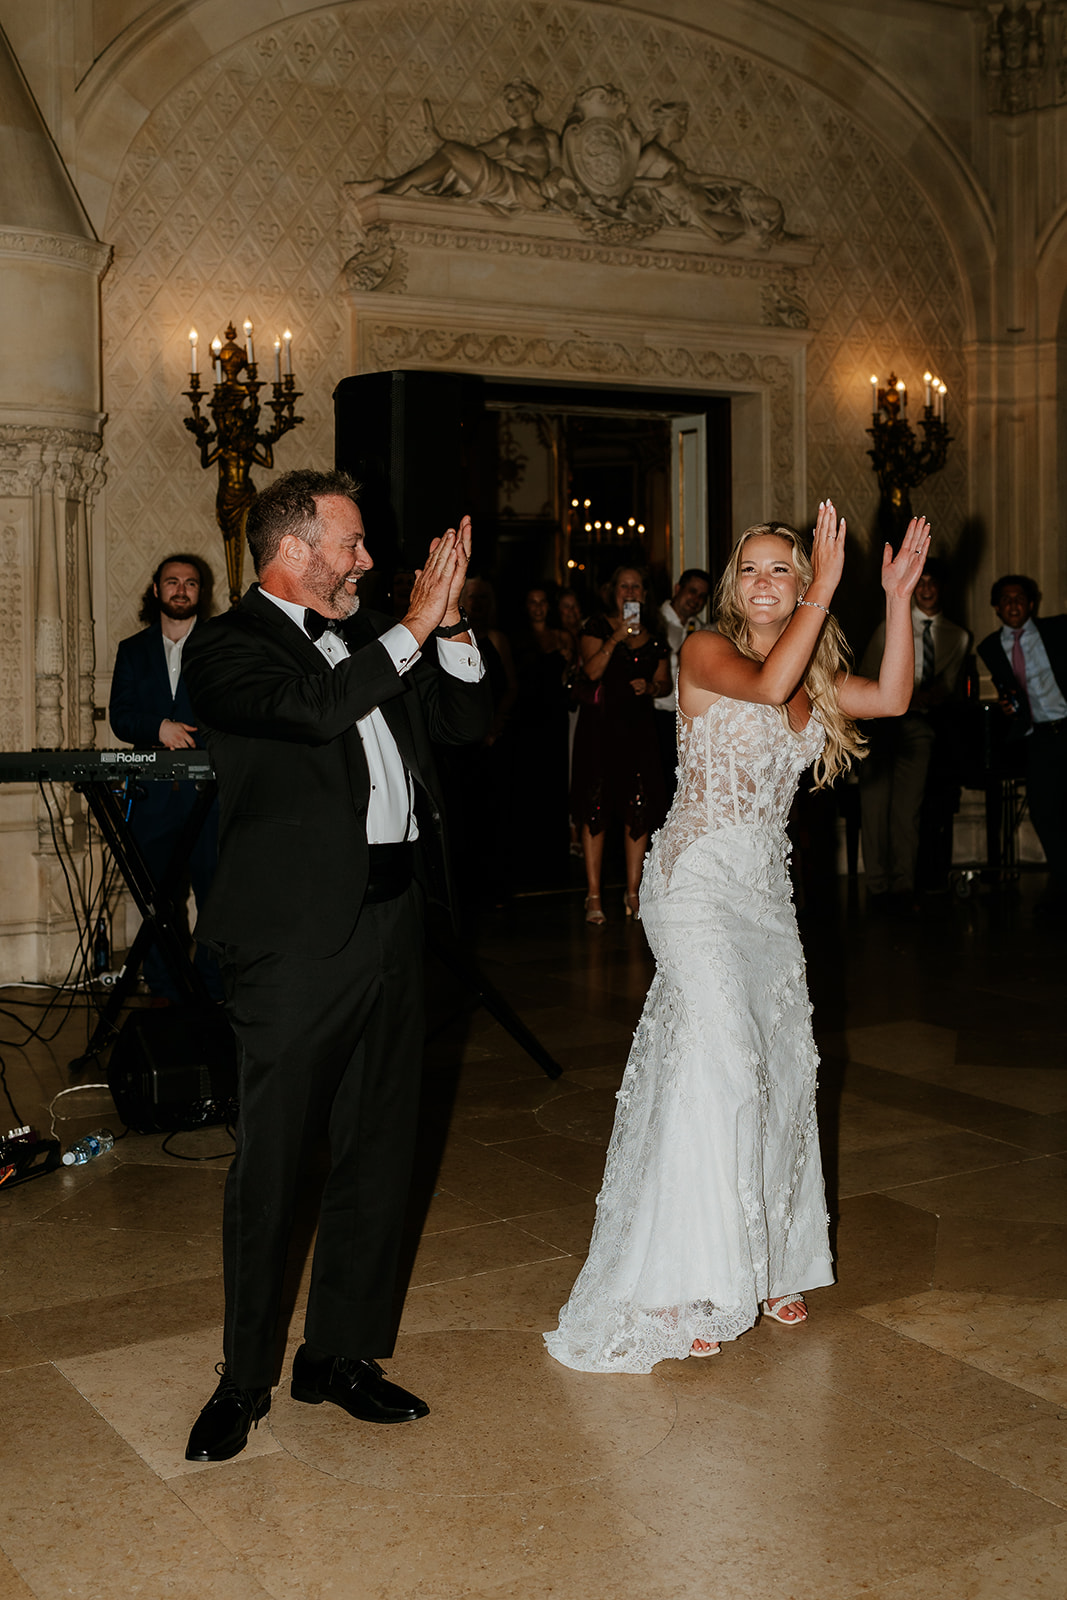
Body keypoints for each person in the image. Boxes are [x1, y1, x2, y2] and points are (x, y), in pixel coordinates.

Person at [545, 506, 931, 1371]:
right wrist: (826, 594)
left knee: (780, 1067)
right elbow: (761, 690)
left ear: (797, 585)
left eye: (781, 570)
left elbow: (895, 696)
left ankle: (768, 1261)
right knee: (721, 1068)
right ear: (734, 585)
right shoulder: (706, 652)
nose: (763, 582)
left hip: (763, 897)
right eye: (750, 569)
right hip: (693, 887)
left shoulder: (808, 678)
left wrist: (896, 597)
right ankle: (690, 1276)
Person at [180, 469, 490, 1462]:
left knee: (378, 1148)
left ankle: (339, 1356)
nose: (366, 557)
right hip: (293, 942)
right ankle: (242, 1378)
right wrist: (409, 622)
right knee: (273, 1166)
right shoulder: (227, 650)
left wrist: (444, 627)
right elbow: (315, 712)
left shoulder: (368, 639)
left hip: (394, 922)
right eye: (350, 543)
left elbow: (465, 722)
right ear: (293, 547)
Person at [109, 554, 222, 1002]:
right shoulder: (132, 650)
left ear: (200, 593)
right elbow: (121, 716)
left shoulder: (218, 646)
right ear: (156, 590)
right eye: (172, 582)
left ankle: (211, 989)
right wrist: (159, 729)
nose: (181, 590)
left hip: (207, 799)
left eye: (191, 583)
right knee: (156, 900)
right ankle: (165, 989)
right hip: (152, 800)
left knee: (214, 898)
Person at [858, 557, 971, 904]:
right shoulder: (888, 626)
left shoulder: (958, 636)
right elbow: (866, 675)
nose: (926, 589)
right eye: (921, 582)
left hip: (919, 727)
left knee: (908, 810)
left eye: (932, 583)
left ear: (942, 588)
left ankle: (903, 885)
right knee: (874, 807)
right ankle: (877, 886)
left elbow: (950, 687)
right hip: (879, 727)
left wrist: (927, 697)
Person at [570, 567, 670, 924]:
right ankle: (593, 895)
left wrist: (652, 688)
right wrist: (616, 637)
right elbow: (592, 672)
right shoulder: (595, 627)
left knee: (639, 808)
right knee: (596, 808)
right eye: (624, 585)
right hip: (600, 728)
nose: (630, 591)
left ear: (645, 593)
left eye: (637, 586)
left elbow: (665, 684)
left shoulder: (656, 636)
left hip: (638, 730)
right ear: (613, 591)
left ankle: (633, 892)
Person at [978, 574, 1067, 914]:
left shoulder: (1058, 630)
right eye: (1006, 599)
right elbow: (1009, 691)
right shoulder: (988, 646)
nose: (1013, 604)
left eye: (1020, 598)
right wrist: (1008, 707)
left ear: (1032, 604)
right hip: (1038, 738)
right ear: (997, 608)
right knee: (1045, 816)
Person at [653, 567, 712, 799]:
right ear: (678, 590)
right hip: (656, 712)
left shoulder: (702, 629)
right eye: (692, 591)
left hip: (688, 721)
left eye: (702, 596)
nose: (696, 599)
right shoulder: (655, 622)